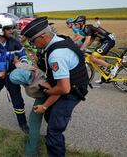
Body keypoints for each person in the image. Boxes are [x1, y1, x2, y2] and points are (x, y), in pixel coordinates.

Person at [21, 17, 89, 157]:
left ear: (43, 36)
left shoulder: (56, 55)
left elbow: (63, 89)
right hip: (73, 84)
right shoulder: (60, 40)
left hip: (71, 92)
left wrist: (46, 100)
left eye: (33, 41)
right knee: (52, 116)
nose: (32, 44)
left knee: (54, 131)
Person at [0, 13, 29, 132]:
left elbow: (23, 56)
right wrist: (8, 65)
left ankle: (23, 124)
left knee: (18, 101)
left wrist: (20, 64)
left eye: (12, 27)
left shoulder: (14, 42)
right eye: (8, 28)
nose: (11, 30)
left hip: (11, 77)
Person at [10, 62, 60, 156]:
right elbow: (16, 61)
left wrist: (44, 106)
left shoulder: (40, 84)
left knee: (34, 121)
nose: (31, 77)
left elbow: (56, 93)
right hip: (47, 91)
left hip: (51, 94)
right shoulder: (23, 66)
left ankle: (31, 152)